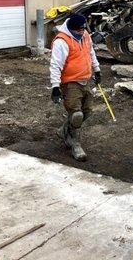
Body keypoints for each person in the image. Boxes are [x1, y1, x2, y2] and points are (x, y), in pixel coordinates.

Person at [50, 13, 101, 161]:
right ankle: (75, 145)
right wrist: (55, 87)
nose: (82, 31)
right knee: (77, 114)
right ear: (71, 29)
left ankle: (64, 130)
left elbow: (91, 53)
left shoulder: (85, 35)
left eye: (83, 28)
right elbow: (55, 65)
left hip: (86, 79)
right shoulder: (62, 41)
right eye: (79, 30)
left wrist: (97, 70)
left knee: (87, 112)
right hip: (70, 82)